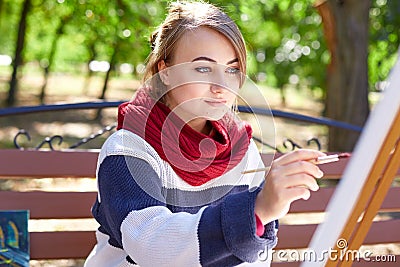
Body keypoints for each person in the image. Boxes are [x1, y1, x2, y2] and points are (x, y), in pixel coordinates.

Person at [84, 1, 325, 266]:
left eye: (232, 69)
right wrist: (254, 210)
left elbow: (254, 255)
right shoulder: (128, 150)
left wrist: (258, 214)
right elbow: (151, 248)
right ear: (165, 72)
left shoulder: (242, 151)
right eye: (203, 68)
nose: (222, 86)